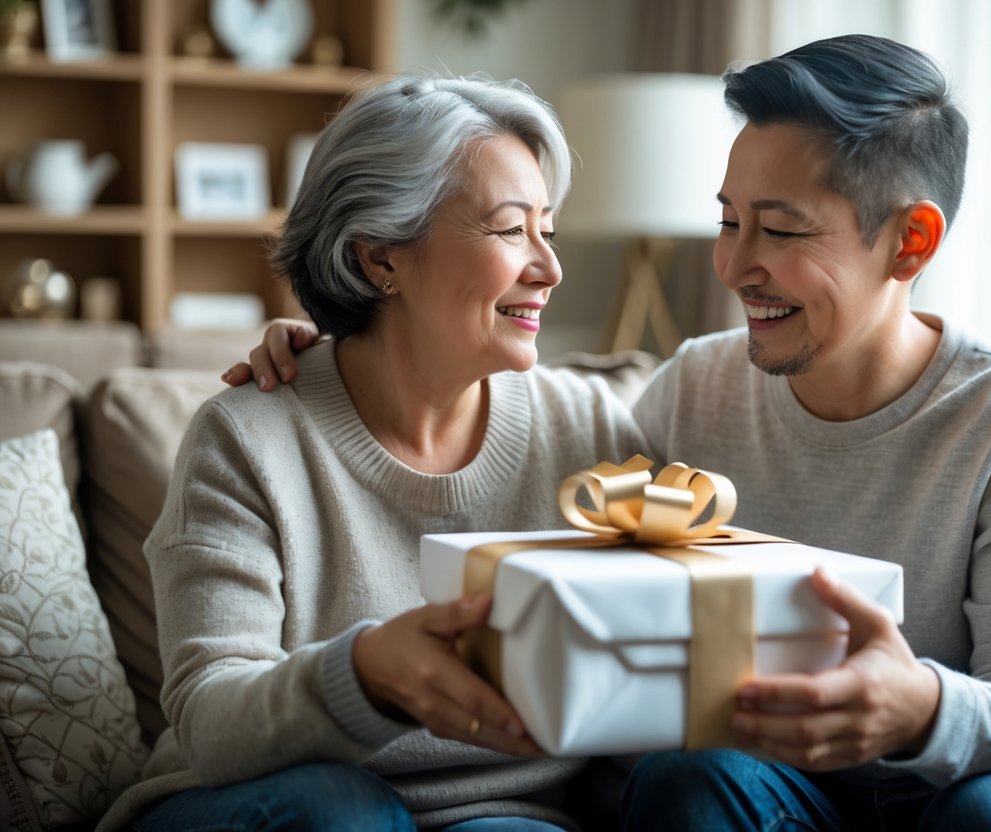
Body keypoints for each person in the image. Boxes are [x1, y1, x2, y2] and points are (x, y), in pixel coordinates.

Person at [233, 35, 991, 831]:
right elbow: (525, 459)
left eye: (781, 229)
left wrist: (920, 708)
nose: (731, 266)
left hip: (946, 796)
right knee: (692, 777)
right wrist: (336, 348)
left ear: (909, 242)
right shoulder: (693, 389)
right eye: (729, 221)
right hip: (756, 794)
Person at [97, 73, 647, 832]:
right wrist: (366, 675)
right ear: (379, 259)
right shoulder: (247, 438)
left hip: (503, 811)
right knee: (346, 814)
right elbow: (211, 721)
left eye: (545, 230)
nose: (548, 269)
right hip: (269, 802)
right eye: (509, 228)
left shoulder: (590, 430)